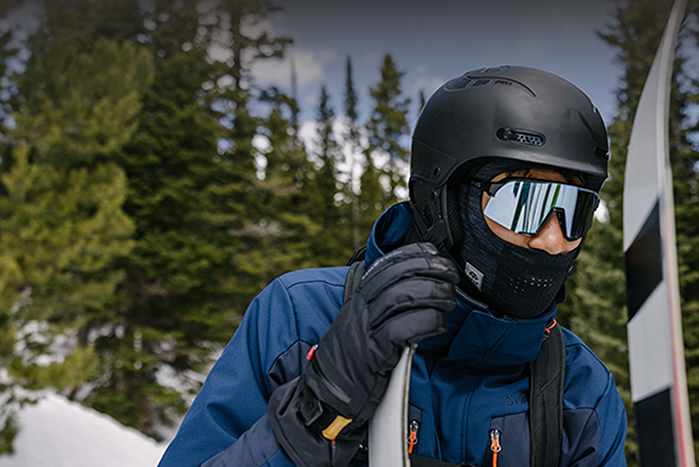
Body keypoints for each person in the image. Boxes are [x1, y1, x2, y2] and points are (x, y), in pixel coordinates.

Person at [156, 66, 627, 467]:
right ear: (443, 202)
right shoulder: (300, 320)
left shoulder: (580, 391)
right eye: (523, 203)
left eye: (574, 211)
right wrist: (314, 415)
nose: (552, 240)